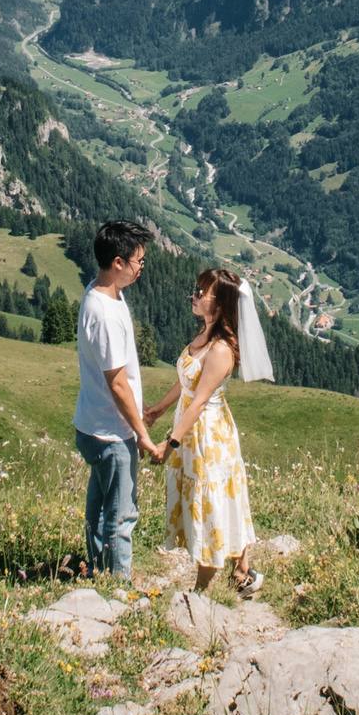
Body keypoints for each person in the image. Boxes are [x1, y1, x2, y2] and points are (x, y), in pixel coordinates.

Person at [146, 265, 271, 596]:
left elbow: (200, 401)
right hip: (194, 428)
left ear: (221, 304)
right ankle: (241, 572)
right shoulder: (204, 337)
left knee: (212, 501)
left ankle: (202, 590)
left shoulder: (220, 350)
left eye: (203, 292)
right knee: (220, 499)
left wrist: (169, 445)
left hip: (208, 436)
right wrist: (159, 408)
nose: (195, 295)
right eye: (197, 289)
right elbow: (188, 382)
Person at [73, 219, 161, 576]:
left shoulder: (102, 293)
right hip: (112, 433)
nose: (142, 268)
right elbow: (117, 383)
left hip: (93, 423)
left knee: (99, 507)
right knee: (122, 514)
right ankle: (119, 587)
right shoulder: (106, 313)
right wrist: (141, 432)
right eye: (138, 261)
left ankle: (97, 571)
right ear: (118, 263)